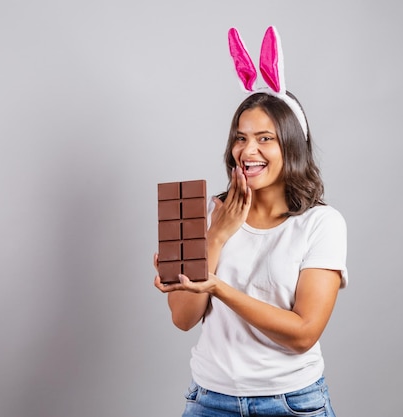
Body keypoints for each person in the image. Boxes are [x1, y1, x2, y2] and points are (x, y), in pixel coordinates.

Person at [153, 27, 348, 417]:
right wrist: (216, 236)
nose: (248, 150)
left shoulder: (321, 224)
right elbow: (182, 318)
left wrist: (219, 288)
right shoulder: (207, 212)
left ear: (292, 147)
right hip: (210, 401)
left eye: (265, 139)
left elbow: (303, 333)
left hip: (292, 403)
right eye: (241, 138)